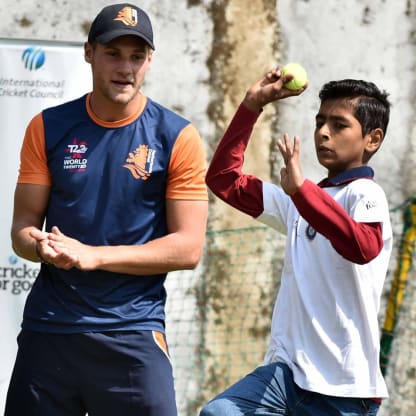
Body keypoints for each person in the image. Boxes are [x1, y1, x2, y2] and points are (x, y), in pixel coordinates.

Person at [5, 3, 208, 416]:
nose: (125, 67)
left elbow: (188, 248)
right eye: (114, 53)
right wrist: (42, 247)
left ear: (149, 61)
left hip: (132, 332)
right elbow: (23, 228)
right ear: (89, 53)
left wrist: (94, 256)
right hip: (51, 328)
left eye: (137, 56)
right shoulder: (47, 127)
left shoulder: (178, 137)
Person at [200, 68, 392, 415]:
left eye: (338, 124)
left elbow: (363, 246)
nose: (323, 132)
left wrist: (302, 192)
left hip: (344, 388)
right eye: (320, 121)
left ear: (372, 139)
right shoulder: (299, 199)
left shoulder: (366, 193)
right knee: (219, 412)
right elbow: (223, 179)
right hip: (286, 375)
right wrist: (251, 106)